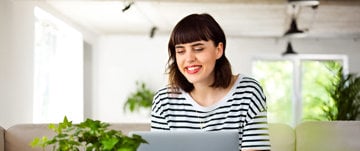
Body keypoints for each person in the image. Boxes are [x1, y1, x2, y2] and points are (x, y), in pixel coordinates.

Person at [151, 13, 271, 151]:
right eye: (180, 51)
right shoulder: (164, 101)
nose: (189, 58)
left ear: (218, 50)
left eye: (198, 49)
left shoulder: (248, 93)